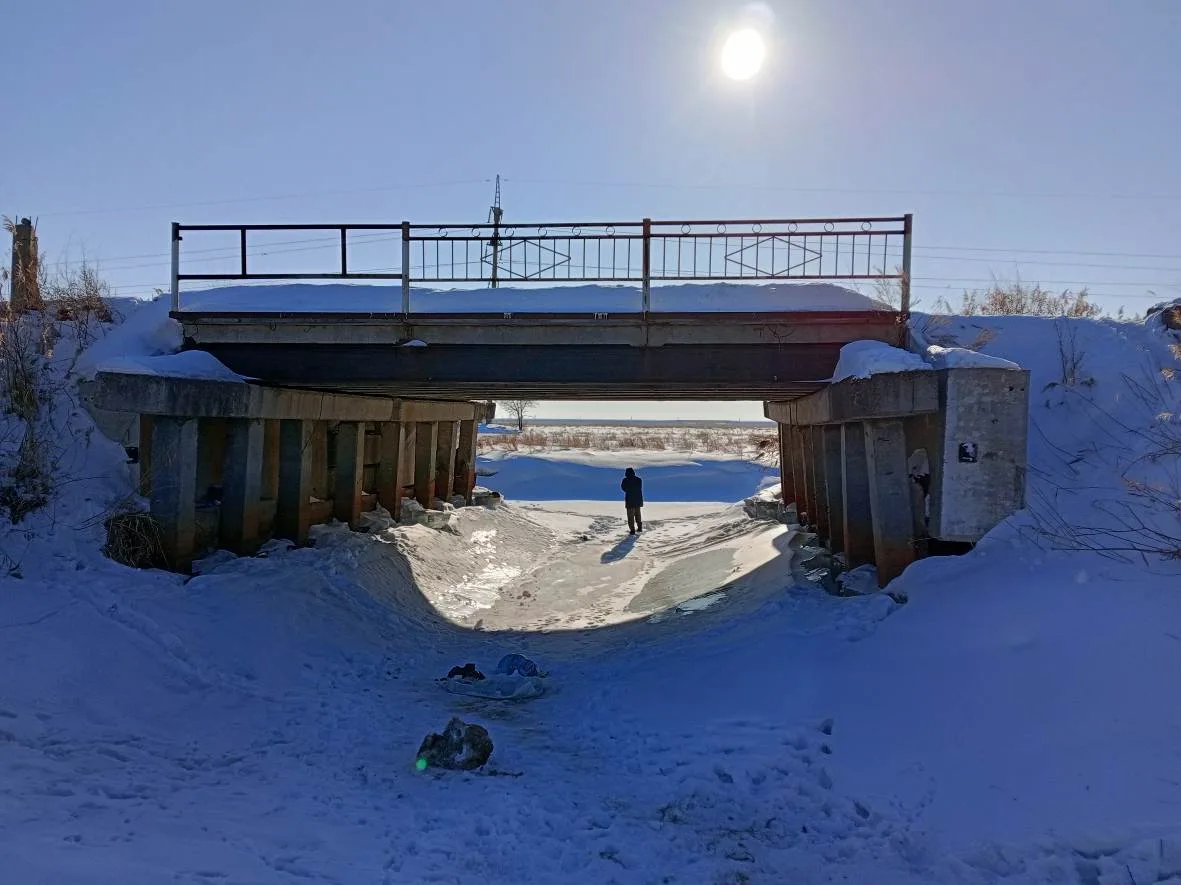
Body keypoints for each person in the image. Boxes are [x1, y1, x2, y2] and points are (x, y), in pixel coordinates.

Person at [621, 467, 644, 534]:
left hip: (630, 501)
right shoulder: (638, 479)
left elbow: (623, 488)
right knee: (638, 515)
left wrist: (628, 490)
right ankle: (639, 528)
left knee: (630, 516)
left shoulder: (625, 480)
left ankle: (632, 530)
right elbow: (639, 488)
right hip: (638, 500)